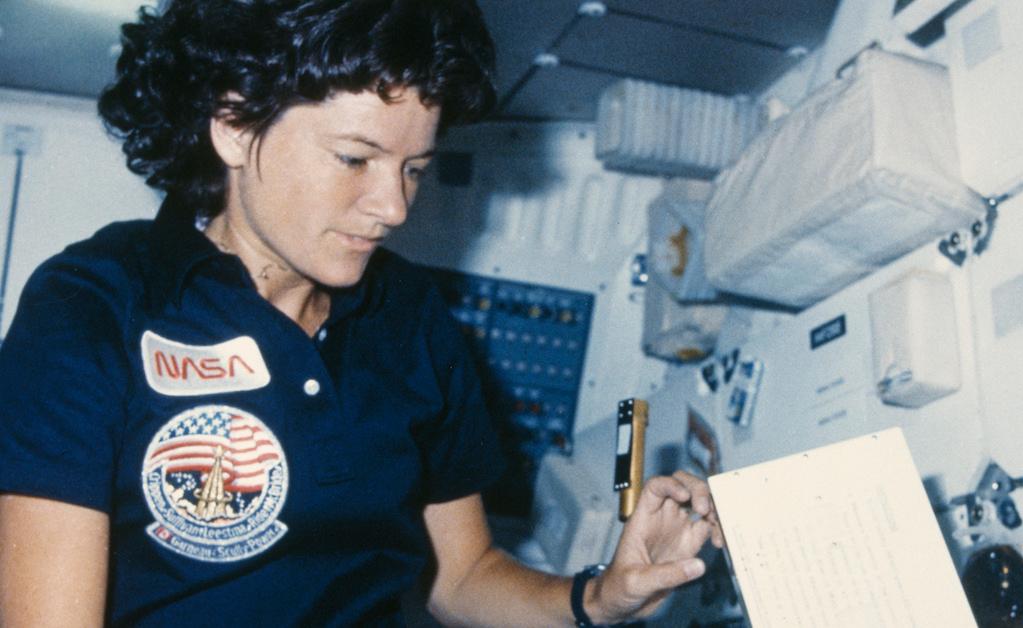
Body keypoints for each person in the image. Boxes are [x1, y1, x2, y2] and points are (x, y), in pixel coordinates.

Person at [0, 1, 723, 625]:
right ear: (233, 125)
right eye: (355, 159)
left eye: (413, 168)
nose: (394, 207)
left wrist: (598, 597)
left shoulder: (409, 318)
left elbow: (461, 575)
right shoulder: (96, 305)